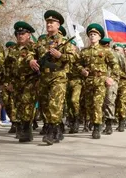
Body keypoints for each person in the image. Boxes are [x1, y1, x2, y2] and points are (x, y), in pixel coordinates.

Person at [28, 10, 75, 145]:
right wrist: (31, 60)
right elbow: (32, 52)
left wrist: (61, 56)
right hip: (43, 76)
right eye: (47, 22)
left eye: (52, 22)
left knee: (55, 103)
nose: (49, 24)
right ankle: (56, 127)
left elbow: (73, 58)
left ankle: (52, 132)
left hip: (58, 76)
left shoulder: (64, 41)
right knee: (44, 105)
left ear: (58, 25)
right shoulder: (42, 40)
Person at [77, 23, 119, 139]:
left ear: (99, 37)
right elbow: (78, 64)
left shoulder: (106, 51)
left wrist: (112, 78)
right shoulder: (84, 51)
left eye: (95, 34)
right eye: (90, 34)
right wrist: (82, 70)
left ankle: (97, 126)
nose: (92, 36)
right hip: (89, 81)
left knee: (97, 104)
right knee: (89, 105)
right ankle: (95, 121)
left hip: (101, 81)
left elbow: (115, 66)